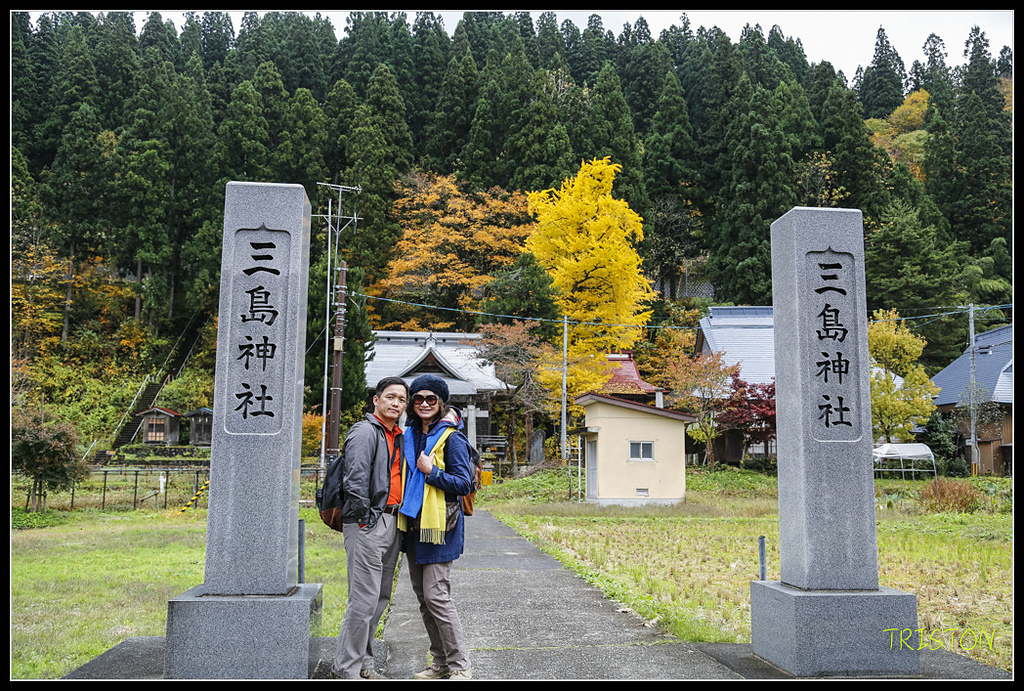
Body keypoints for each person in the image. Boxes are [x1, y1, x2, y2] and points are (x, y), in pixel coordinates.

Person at [398, 374, 475, 680]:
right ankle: (440, 663)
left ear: (442, 403)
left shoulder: (452, 437)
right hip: (414, 524)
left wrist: (432, 473)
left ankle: (460, 666)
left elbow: (464, 483)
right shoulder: (409, 435)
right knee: (423, 599)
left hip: (441, 526)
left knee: (437, 597)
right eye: (418, 399)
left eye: (431, 399)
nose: (425, 404)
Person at [332, 376, 409, 680]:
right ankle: (346, 669)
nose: (396, 404)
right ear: (376, 400)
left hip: (392, 521)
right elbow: (355, 478)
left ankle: (365, 663)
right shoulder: (365, 431)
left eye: (402, 400)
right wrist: (365, 518)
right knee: (363, 600)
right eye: (390, 397)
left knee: (379, 599)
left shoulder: (398, 435)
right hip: (368, 522)